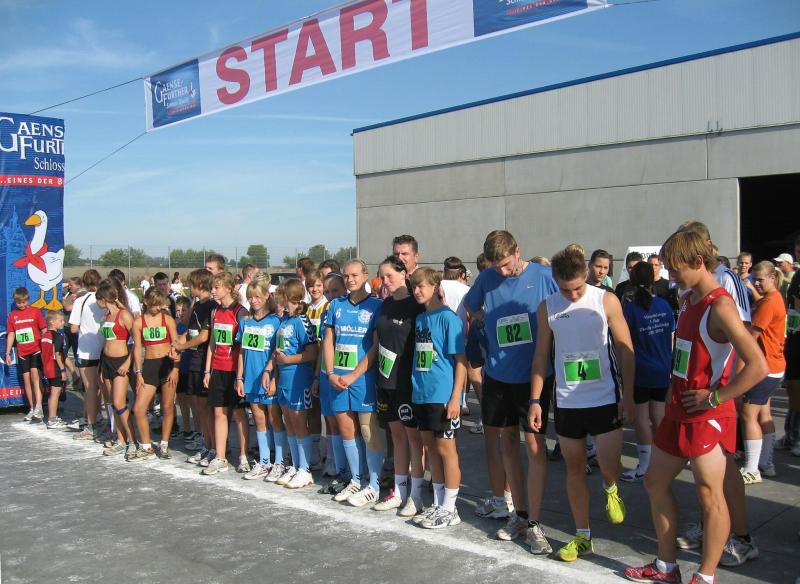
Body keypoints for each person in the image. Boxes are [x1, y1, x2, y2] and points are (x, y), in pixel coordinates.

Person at [624, 229, 767, 584]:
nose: (670, 277)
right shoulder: (688, 299)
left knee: (709, 494)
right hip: (679, 408)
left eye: (675, 270)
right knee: (655, 482)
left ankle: (705, 576)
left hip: (708, 415)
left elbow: (758, 366)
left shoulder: (720, 306)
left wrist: (715, 397)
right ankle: (666, 567)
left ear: (699, 262)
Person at [529, 244, 635, 562]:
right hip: (567, 402)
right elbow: (541, 356)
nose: (573, 295)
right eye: (565, 290)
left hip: (604, 398)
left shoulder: (606, 300)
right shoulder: (548, 307)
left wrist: (629, 395)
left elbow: (625, 348)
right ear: (555, 281)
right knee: (574, 468)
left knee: (610, 465)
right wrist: (535, 400)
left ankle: (611, 487)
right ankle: (582, 535)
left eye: (577, 288)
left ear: (586, 274)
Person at [463, 230, 557, 553]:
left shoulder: (544, 276)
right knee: (507, 444)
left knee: (535, 447)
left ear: (518, 251)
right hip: (497, 375)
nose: (502, 272)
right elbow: (471, 306)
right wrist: (485, 322)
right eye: (496, 267)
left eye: (506, 264)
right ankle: (520, 514)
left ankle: (535, 524)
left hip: (534, 377)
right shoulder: (487, 278)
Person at [674, 221, 755, 564]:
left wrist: (726, 392)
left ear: (702, 247)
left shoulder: (726, 281)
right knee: (706, 476)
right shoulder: (688, 291)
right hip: (691, 395)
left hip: (718, 394)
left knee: (724, 470)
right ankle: (711, 525)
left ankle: (741, 536)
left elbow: (745, 334)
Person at [324, 259, 384, 507]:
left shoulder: (376, 305)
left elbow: (376, 345)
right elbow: (329, 340)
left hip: (363, 377)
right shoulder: (336, 305)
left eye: (354, 275)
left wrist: (355, 375)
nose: (350, 280)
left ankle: (375, 485)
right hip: (338, 377)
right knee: (346, 429)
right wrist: (330, 373)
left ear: (365, 275)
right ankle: (356, 480)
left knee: (368, 431)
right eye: (346, 276)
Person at [409, 267, 466, 529]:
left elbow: (461, 361)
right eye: (414, 286)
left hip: (442, 394)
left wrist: (456, 398)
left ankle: (450, 507)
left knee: (446, 449)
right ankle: (439, 502)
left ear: (435, 287)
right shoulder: (421, 319)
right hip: (421, 393)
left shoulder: (448, 318)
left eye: (422, 286)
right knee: (430, 447)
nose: (417, 291)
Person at [372, 256, 426, 515]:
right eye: (381, 277)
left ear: (404, 273)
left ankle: (416, 495)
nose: (385, 281)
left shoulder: (417, 306)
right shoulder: (385, 304)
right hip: (386, 381)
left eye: (389, 276)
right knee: (397, 437)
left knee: (414, 439)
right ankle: (400, 491)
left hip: (407, 382)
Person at [621, 262, 675, 481]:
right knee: (659, 415)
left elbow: (623, 343)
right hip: (662, 369)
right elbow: (671, 338)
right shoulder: (664, 305)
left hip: (641, 371)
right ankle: (665, 459)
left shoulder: (630, 310)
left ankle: (645, 465)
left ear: (632, 280)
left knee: (642, 418)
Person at [739, 261, 786, 483]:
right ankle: (765, 464)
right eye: (754, 279)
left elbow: (750, 338)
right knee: (763, 415)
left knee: (748, 415)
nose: (756, 283)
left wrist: (738, 370)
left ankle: (752, 469)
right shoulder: (772, 299)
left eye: (760, 279)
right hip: (773, 366)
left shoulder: (769, 302)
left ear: (772, 278)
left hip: (765, 368)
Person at [202, 272, 250, 475]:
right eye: (212, 287)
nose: (213, 291)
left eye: (217, 287)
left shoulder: (240, 312)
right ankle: (220, 457)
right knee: (219, 413)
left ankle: (244, 456)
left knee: (239, 413)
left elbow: (244, 347)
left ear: (229, 288)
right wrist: (208, 369)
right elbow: (212, 342)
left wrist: (240, 375)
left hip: (235, 370)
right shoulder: (215, 312)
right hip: (218, 369)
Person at [235, 277, 281, 481]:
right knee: (259, 420)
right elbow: (242, 352)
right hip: (251, 379)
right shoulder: (245, 322)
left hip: (269, 378)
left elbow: (278, 353)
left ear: (266, 296)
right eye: (250, 297)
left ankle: (279, 462)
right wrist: (239, 377)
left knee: (274, 419)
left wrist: (274, 378)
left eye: (257, 297)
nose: (253, 301)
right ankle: (264, 461)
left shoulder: (276, 321)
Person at [131, 288, 180, 461]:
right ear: (145, 302)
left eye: (160, 305)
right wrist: (138, 372)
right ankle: (146, 446)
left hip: (167, 365)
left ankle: (164, 444)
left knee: (167, 407)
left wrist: (176, 369)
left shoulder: (168, 320)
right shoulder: (138, 322)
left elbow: (176, 344)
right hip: (150, 366)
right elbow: (137, 348)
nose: (158, 308)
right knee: (139, 408)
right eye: (155, 305)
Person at [314, 272, 351, 494]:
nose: (330, 295)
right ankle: (335, 462)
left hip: (343, 375)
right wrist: (318, 376)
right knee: (330, 421)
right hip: (326, 374)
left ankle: (349, 468)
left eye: (335, 290)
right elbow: (323, 347)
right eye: (327, 291)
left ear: (345, 289)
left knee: (345, 422)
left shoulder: (347, 310)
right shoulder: (327, 312)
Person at [176, 269, 218, 464]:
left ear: (200, 285)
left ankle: (214, 447)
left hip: (204, 361)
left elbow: (204, 336)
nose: (188, 287)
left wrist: (182, 347)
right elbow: (189, 331)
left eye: (191, 284)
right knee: (200, 408)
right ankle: (206, 444)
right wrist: (176, 343)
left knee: (207, 408)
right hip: (194, 360)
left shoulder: (211, 306)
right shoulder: (197, 305)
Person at [95, 279, 135, 458]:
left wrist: (128, 363)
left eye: (98, 299)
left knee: (119, 403)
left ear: (104, 299)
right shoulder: (106, 316)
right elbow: (106, 341)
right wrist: (102, 367)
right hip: (107, 362)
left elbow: (137, 341)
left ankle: (133, 440)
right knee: (113, 403)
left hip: (121, 361)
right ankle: (121, 440)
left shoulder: (124, 315)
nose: (97, 303)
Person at [68, 269, 106, 440]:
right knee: (102, 388)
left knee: (90, 389)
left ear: (83, 283)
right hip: (105, 348)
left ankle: (90, 426)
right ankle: (100, 419)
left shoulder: (80, 300)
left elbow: (73, 328)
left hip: (87, 350)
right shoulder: (105, 299)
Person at [6, 286, 47, 422]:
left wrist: (46, 346)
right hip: (22, 352)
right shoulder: (12, 315)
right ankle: (32, 407)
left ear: (28, 300)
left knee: (35, 376)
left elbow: (44, 329)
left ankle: (39, 406)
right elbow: (11, 334)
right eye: (19, 302)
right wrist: (7, 353)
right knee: (26, 379)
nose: (22, 305)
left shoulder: (35, 311)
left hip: (36, 349)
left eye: (24, 302)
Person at [42, 310, 68, 429]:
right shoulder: (57, 336)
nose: (63, 322)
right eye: (61, 320)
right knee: (55, 394)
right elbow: (58, 355)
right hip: (55, 368)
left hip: (47, 367)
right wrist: (63, 370)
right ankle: (52, 419)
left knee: (53, 393)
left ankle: (53, 417)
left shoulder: (45, 335)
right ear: (52, 322)